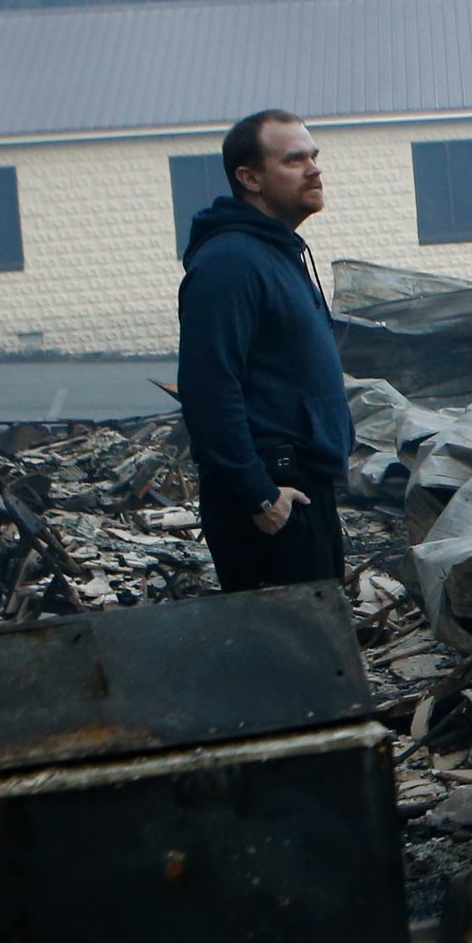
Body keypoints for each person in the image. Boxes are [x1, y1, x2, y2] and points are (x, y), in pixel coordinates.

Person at [178, 108, 354, 593]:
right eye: (294, 159)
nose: (314, 168)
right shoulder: (230, 264)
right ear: (249, 177)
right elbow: (207, 387)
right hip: (270, 499)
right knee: (290, 661)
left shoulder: (275, 254)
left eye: (313, 156)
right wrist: (257, 495)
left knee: (318, 656)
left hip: (298, 489)